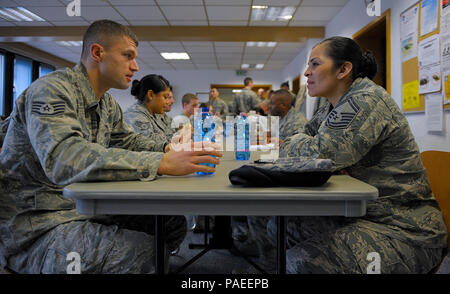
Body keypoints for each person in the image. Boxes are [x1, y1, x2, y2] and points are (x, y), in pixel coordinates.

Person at [0, 19, 221, 274]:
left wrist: (168, 149)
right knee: (145, 253)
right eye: (128, 56)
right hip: (38, 226)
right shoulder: (52, 91)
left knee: (171, 223)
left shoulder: (106, 104)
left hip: (83, 208)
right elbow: (65, 159)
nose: (135, 67)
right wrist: (160, 163)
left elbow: (130, 141)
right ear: (97, 53)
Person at [245, 36, 447, 274]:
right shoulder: (332, 105)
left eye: (315, 64)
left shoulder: (365, 99)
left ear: (343, 69)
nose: (307, 73)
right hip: (362, 213)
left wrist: (308, 148)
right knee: (277, 227)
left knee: (299, 263)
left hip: (402, 228)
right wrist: (306, 146)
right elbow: (303, 140)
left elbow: (320, 154)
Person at [124, 74, 175, 145]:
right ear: (150, 95)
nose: (167, 102)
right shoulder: (135, 115)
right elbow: (149, 147)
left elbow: (166, 138)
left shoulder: (155, 115)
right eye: (165, 97)